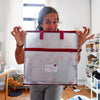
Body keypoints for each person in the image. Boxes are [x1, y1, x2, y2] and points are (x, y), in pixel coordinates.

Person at [11, 6, 94, 100]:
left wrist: (78, 46)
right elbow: (19, 61)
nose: (52, 26)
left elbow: (74, 62)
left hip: (55, 82)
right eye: (47, 22)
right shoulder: (34, 39)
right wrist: (19, 44)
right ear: (41, 24)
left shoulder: (64, 39)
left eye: (55, 22)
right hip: (36, 82)